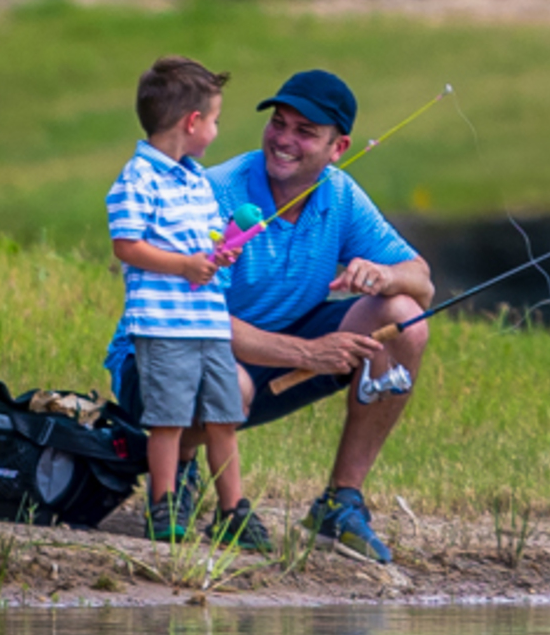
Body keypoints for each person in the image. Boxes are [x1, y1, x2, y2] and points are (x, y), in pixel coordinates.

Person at [203, 68, 435, 565]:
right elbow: (196, 319)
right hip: (185, 360)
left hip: (268, 364)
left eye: (304, 132)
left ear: (338, 147)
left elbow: (423, 280)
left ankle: (339, 504)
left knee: (405, 317)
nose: (283, 140)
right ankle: (180, 479)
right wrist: (308, 353)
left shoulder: (341, 194)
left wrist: (383, 276)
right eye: (278, 123)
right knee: (231, 382)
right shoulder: (218, 190)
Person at [101, 55, 268, 550]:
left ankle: (233, 510)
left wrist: (226, 246)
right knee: (169, 421)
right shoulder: (137, 179)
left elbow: (204, 245)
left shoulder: (197, 181)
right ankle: (165, 504)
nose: (217, 130)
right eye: (214, 120)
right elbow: (126, 245)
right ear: (192, 122)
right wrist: (184, 265)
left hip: (210, 325)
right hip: (163, 328)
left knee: (223, 417)